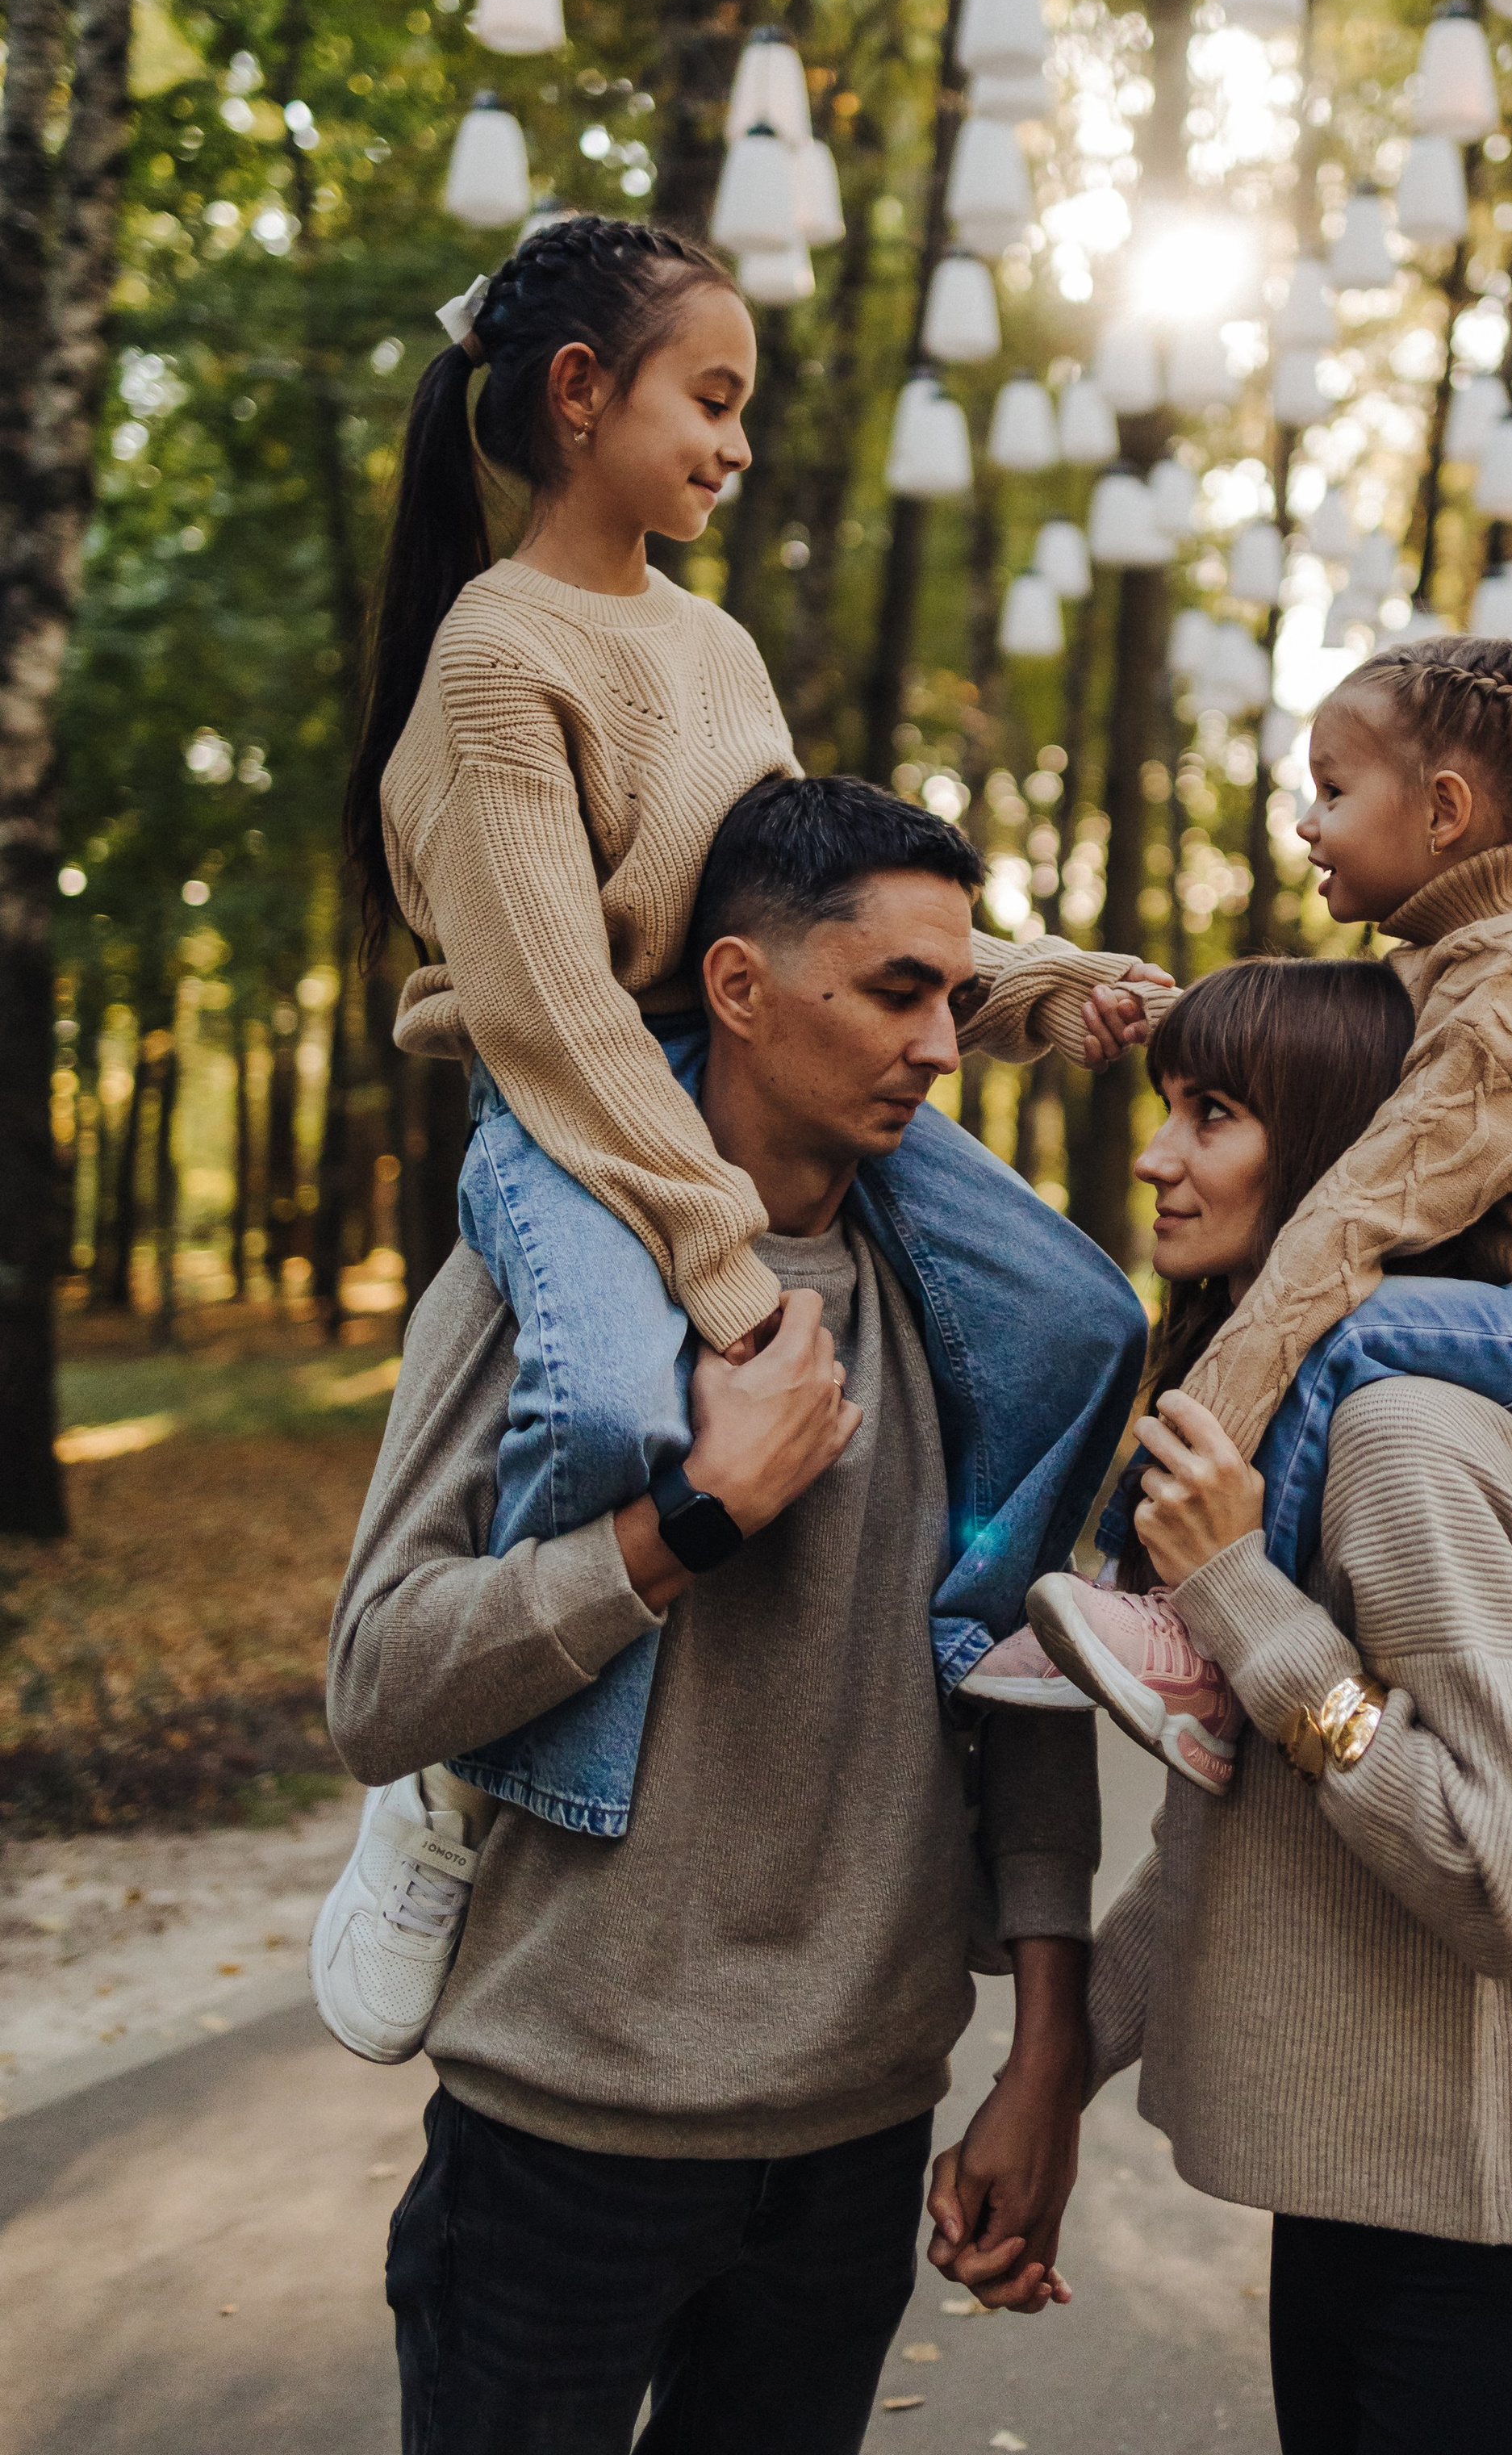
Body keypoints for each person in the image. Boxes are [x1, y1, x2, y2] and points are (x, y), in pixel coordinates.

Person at [316, 216, 1160, 2056]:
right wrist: (716, 1262)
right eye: (708, 399)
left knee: (1077, 1316)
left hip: (717, 1040)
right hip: (570, 1100)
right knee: (623, 1406)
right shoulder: (492, 654)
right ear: (574, 395)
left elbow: (810, 910)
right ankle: (460, 1789)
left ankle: (965, 1644)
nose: (735, 443)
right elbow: (550, 1010)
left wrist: (1030, 993)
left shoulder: (706, 644)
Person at [326, 780, 1122, 2453]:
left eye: (952, 1000)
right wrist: (683, 1528)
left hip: (851, 2146)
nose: (937, 1047)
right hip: (562, 2137)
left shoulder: (968, 1323)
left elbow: (1016, 1671)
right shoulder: (551, 1289)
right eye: (893, 992)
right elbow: (380, 1679)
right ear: (742, 990)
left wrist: (1043, 2048)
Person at [1067, 957, 1512, 2455]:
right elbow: (1239, 1836)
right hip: (1363, 2231)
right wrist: (1051, 2071)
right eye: (1165, 1107)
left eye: (1215, 1115)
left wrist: (1246, 1603)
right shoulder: (1299, 1435)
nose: (1158, 1155)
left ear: (1337, 1157)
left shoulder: (1400, 1441)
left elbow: (1499, 1877)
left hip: (1484, 2276)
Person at [1030, 634, 1512, 1788]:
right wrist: (1166, 1016)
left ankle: (1198, 1640)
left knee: (1341, 1322)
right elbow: (1341, 1038)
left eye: (1333, 792)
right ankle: (1122, 1594)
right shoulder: (1480, 951)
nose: (1306, 823)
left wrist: (1191, 1487)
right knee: (1339, 1313)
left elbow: (1355, 1216)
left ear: (1443, 808)